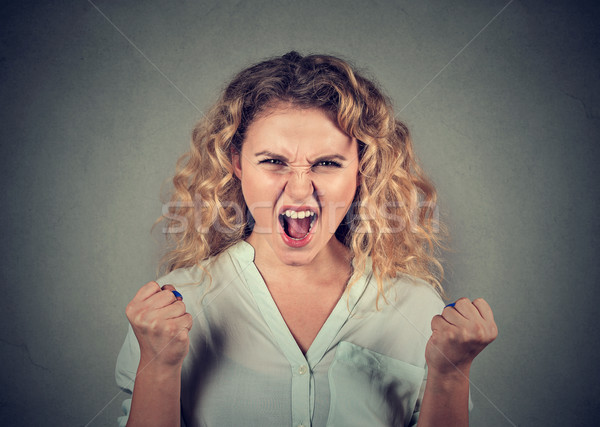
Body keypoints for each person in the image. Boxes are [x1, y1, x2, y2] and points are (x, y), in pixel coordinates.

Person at [115, 51, 498, 427]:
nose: (300, 191)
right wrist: (158, 366)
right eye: (273, 161)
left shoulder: (416, 311)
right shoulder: (173, 314)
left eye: (327, 163)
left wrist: (452, 374)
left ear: (361, 169)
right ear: (237, 162)